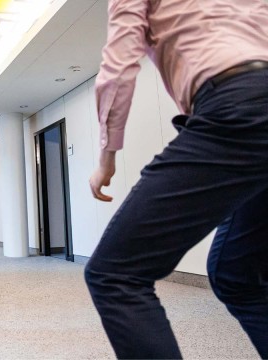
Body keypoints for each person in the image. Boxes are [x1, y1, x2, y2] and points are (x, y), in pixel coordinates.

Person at [85, 0, 268, 358]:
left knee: (115, 275)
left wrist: (106, 159)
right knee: (238, 275)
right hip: (247, 103)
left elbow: (119, 66)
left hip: (237, 107)